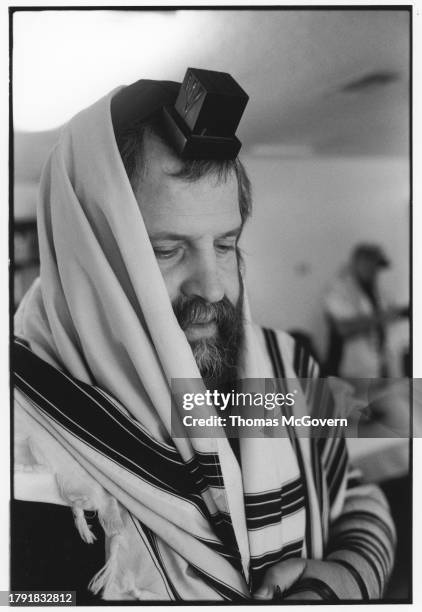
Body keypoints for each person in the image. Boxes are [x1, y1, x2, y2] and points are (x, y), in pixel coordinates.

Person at [13, 72, 396, 602]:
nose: (215, 289)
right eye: (166, 251)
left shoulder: (280, 362)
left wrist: (345, 577)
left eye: (225, 244)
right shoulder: (22, 435)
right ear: (88, 257)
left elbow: (354, 489)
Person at [324, 244, 408, 379]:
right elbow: (343, 328)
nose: (375, 270)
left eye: (376, 266)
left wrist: (402, 313)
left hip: (385, 365)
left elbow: (391, 318)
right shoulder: (338, 290)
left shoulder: (379, 292)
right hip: (357, 369)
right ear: (358, 263)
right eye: (370, 264)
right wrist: (384, 316)